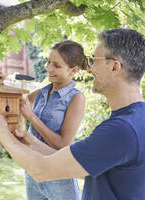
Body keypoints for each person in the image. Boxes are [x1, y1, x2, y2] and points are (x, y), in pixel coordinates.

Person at [0, 28, 145, 200]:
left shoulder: (122, 130)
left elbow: (41, 170)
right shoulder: (136, 119)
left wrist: (1, 133)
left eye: (93, 61)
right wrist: (31, 140)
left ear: (114, 67)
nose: (89, 68)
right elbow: (79, 163)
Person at [19, 40, 87, 200]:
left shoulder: (76, 98)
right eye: (49, 62)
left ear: (74, 70)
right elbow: (14, 106)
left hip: (59, 177)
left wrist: (32, 118)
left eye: (57, 65)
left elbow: (64, 144)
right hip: (33, 170)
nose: (49, 68)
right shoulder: (41, 93)